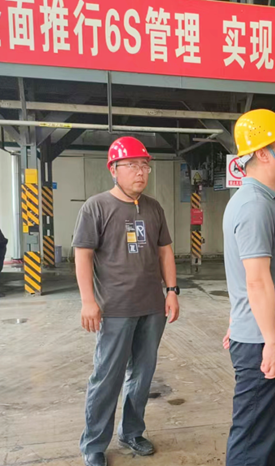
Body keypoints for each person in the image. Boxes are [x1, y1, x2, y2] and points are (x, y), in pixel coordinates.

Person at [73, 136, 180, 466]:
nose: (140, 172)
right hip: (115, 309)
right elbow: (82, 255)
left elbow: (165, 252)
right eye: (132, 165)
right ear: (113, 169)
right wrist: (88, 301)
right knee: (107, 377)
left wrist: (172, 291)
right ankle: (94, 444)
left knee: (142, 375)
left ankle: (132, 431)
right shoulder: (96, 207)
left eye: (145, 165)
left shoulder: (153, 207)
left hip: (152, 308)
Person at [221, 109, 275, 466]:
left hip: (262, 332)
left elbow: (243, 276)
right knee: (255, 436)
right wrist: (270, 342)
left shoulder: (261, 201)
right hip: (263, 340)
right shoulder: (254, 206)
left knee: (267, 428)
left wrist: (237, 320)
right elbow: (256, 280)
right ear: (262, 153)